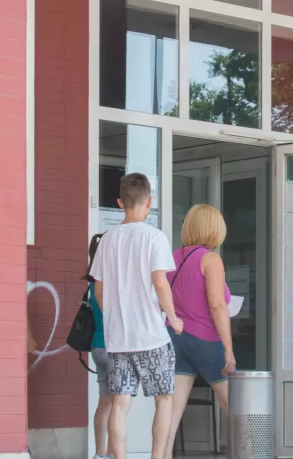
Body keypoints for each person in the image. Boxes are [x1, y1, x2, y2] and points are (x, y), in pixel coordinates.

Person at [90, 173, 183, 459]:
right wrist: (174, 318)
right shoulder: (155, 237)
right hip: (152, 336)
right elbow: (160, 283)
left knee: (120, 404)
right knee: (164, 399)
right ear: (149, 202)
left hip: (119, 340)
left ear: (120, 203)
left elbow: (99, 292)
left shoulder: (106, 240)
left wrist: (115, 318)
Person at [164, 204, 236, 459]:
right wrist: (228, 349)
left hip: (175, 338)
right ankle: (248, 454)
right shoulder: (210, 259)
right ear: (214, 230)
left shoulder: (171, 258)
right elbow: (217, 305)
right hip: (206, 339)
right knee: (235, 405)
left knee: (170, 412)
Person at [84, 233, 113, 459]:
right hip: (114, 347)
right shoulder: (111, 282)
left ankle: (99, 452)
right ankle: (115, 452)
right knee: (119, 405)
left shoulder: (92, 284)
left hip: (97, 346)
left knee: (104, 403)